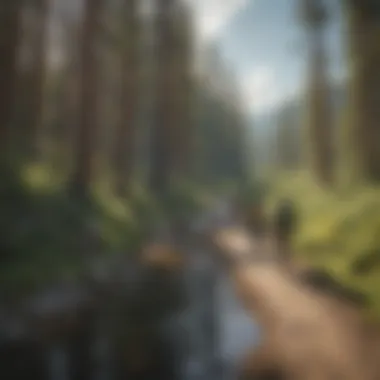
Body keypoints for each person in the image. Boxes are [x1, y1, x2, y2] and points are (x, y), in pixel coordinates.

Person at [272, 199, 297, 264]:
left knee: (281, 243)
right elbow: (293, 222)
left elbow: (277, 222)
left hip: (281, 229)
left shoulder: (281, 213)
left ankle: (281, 256)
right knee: (287, 243)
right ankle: (286, 257)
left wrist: (276, 230)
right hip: (287, 230)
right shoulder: (290, 213)